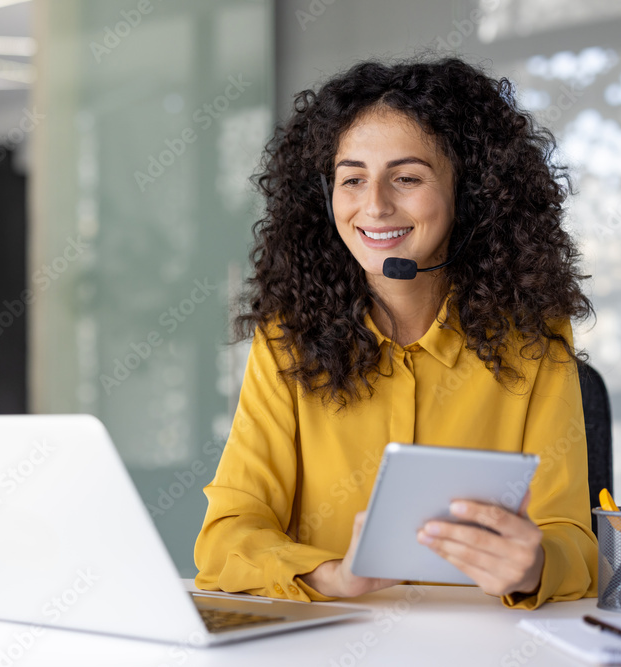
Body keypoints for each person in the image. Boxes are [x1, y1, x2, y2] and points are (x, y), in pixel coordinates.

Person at [193, 56, 598, 610]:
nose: (375, 205)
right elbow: (226, 537)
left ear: (470, 195)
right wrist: (333, 577)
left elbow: (573, 540)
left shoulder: (531, 334)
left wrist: (533, 566)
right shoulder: (287, 336)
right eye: (352, 179)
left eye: (407, 178)